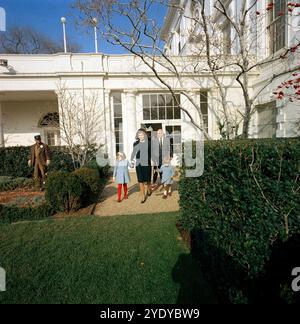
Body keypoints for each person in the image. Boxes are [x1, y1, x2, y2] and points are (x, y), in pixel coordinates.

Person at [131, 128, 152, 204]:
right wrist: (132, 161)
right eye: (139, 134)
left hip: (147, 163)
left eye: (142, 134)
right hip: (138, 164)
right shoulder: (135, 143)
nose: (141, 136)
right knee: (140, 180)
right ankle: (143, 196)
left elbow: (151, 153)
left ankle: (149, 189)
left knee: (147, 179)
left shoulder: (149, 143)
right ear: (137, 135)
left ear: (145, 135)